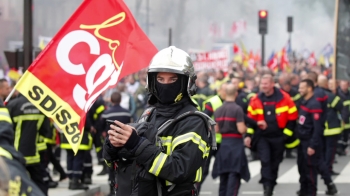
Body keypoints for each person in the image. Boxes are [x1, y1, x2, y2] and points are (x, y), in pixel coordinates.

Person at [103, 46, 214, 196]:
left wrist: (137, 144)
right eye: (160, 79)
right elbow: (118, 164)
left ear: (186, 82)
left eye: (173, 79)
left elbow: (179, 170)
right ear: (152, 81)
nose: (166, 84)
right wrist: (114, 147)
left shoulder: (193, 121)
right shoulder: (148, 114)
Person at [245, 74, 298, 196]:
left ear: (272, 84)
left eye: (266, 83)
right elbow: (251, 119)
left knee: (276, 161)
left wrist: (285, 135)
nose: (263, 86)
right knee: (265, 161)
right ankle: (267, 189)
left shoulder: (285, 98)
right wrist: (248, 135)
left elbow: (292, 118)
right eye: (262, 84)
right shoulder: (255, 99)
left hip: (279, 136)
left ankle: (271, 181)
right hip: (262, 136)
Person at [297, 79, 337, 196]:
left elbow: (318, 128)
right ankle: (304, 191)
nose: (299, 90)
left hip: (309, 142)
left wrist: (312, 145)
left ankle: (312, 192)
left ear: (309, 88)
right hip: (302, 140)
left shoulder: (314, 104)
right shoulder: (304, 102)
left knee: (311, 170)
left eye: (302, 88)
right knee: (303, 168)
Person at [6, 94, 51, 195]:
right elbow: (46, 131)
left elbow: (6, 130)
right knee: (39, 182)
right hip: (34, 154)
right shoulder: (41, 107)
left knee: (17, 183)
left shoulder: (12, 105)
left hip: (16, 155)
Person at [212, 84, 250, 196]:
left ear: (225, 94)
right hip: (236, 144)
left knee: (223, 175)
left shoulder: (218, 110)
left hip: (224, 145)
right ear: (236, 94)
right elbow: (241, 129)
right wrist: (247, 128)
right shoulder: (237, 109)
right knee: (234, 174)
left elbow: (216, 129)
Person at [99, 91, 132, 196]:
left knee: (111, 168)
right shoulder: (127, 112)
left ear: (111, 100)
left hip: (111, 145)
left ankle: (111, 190)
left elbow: (101, 128)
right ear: (120, 100)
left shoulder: (106, 113)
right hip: (125, 145)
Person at [198, 82, 228, 192]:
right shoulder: (213, 102)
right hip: (212, 140)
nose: (227, 93)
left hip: (224, 141)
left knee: (225, 170)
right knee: (204, 170)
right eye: (225, 90)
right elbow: (204, 120)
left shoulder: (231, 101)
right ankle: (195, 192)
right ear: (220, 90)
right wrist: (212, 127)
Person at [318, 75, 343, 176]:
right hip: (331, 128)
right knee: (330, 150)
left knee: (321, 149)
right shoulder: (331, 96)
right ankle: (328, 168)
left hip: (319, 127)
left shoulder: (315, 95)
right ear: (326, 84)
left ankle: (321, 168)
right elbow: (340, 106)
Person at [279, 74, 302, 159]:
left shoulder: (294, 93)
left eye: (288, 86)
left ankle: (289, 151)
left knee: (291, 135)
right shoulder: (279, 93)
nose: (287, 87)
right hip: (282, 117)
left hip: (292, 117)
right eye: (286, 86)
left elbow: (299, 104)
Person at [336, 80, 350, 156]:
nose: (343, 87)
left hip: (348, 119)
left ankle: (343, 148)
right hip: (340, 118)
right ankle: (339, 149)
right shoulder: (337, 94)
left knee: (346, 136)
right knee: (339, 136)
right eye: (342, 85)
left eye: (345, 85)